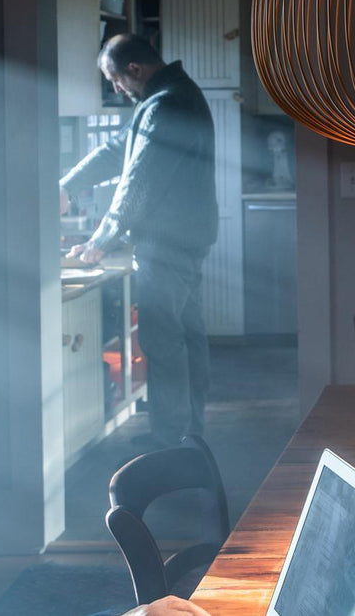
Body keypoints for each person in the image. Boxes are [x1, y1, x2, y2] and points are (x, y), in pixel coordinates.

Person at [62, 34, 218, 447]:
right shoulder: (168, 97)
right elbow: (119, 151)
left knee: (164, 343)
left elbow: (139, 183)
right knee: (187, 337)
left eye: (116, 80)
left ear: (134, 69)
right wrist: (67, 186)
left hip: (167, 246)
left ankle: (169, 440)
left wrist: (100, 240)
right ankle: (190, 433)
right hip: (185, 240)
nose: (117, 90)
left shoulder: (167, 104)